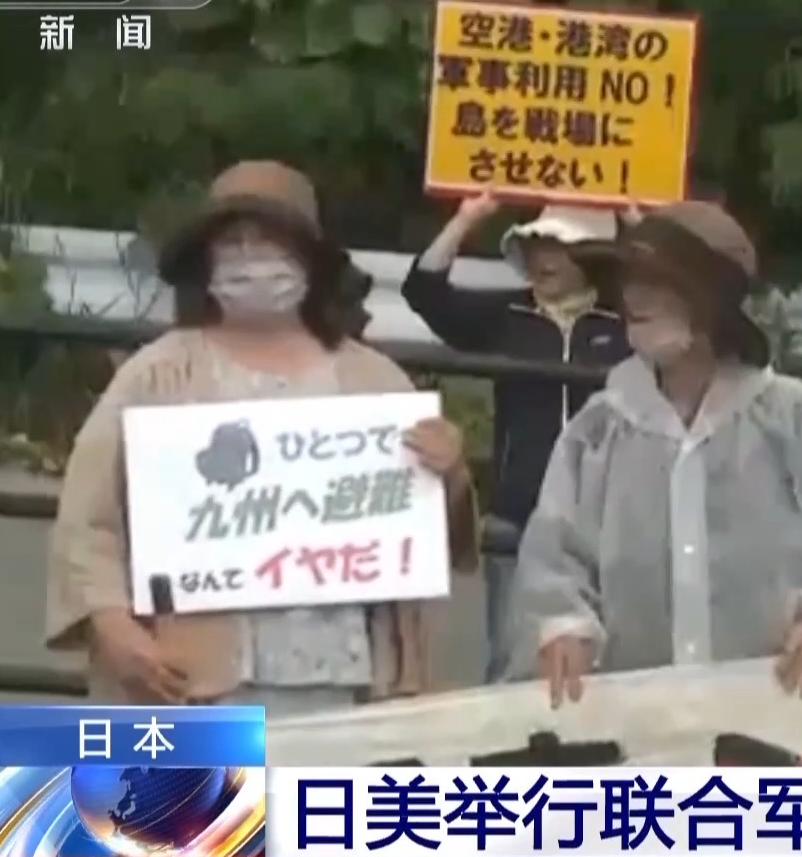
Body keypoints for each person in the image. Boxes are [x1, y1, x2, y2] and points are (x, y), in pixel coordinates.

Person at [45, 161, 481, 715]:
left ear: (310, 257)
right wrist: (110, 622)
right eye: (232, 242)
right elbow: (88, 518)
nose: (250, 257)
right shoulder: (154, 376)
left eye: (270, 239)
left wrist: (450, 474)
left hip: (350, 680)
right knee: (197, 780)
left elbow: (429, 535)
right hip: (195, 680)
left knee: (323, 778)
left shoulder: (378, 382)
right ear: (205, 261)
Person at [510, 201, 802, 706]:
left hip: (775, 709)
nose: (634, 297)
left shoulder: (789, 418)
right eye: (629, 280)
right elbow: (554, 553)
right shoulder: (599, 429)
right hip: (639, 719)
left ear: (708, 302)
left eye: (658, 282)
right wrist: (565, 626)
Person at [403, 194, 629, 681]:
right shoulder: (507, 314)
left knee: (613, 663)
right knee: (513, 660)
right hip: (519, 514)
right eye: (538, 243)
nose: (546, 257)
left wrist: (641, 224)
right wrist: (467, 218)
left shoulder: (631, 324)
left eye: (563, 247)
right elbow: (423, 292)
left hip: (613, 518)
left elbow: (695, 315)